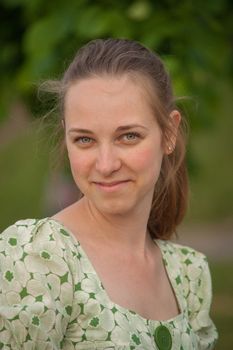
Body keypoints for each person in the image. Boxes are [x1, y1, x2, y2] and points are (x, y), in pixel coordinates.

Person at [0, 38, 218, 349]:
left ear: (168, 134)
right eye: (85, 140)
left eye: (128, 136)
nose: (106, 165)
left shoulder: (188, 275)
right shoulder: (38, 258)